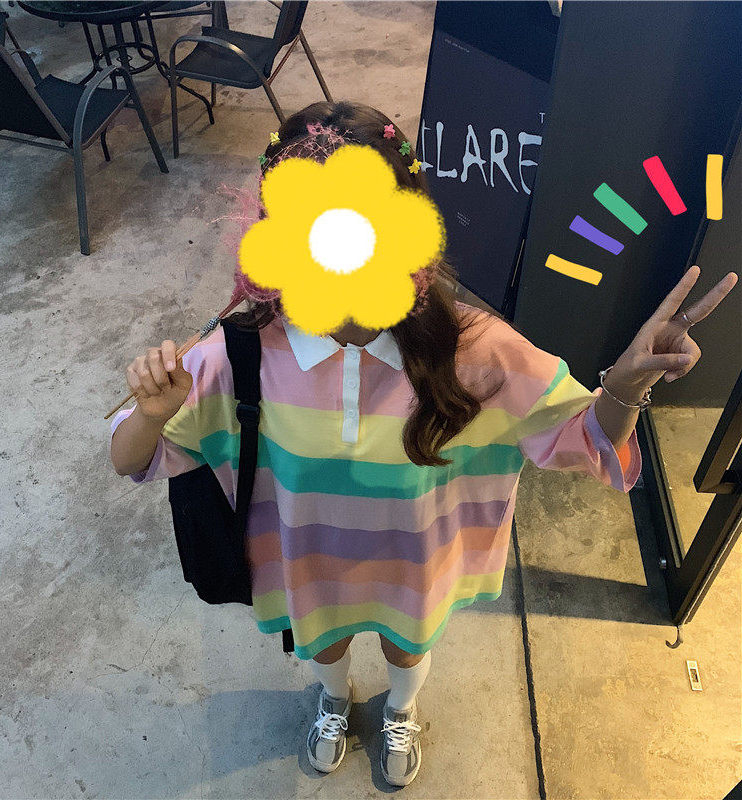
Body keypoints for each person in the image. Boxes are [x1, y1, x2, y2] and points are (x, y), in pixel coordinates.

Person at [109, 101, 737, 788]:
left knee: (407, 650)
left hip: (414, 566)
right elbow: (129, 458)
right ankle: (333, 699)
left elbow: (583, 439)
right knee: (325, 644)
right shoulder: (240, 354)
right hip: (310, 565)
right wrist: (152, 414)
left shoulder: (475, 349)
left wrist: (624, 385)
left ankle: (401, 708)